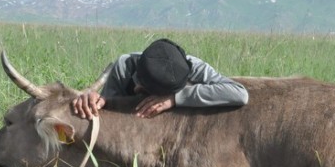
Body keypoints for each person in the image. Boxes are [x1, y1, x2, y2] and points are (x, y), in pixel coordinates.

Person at [73, 38, 248, 119]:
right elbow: (110, 109)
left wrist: (175, 98)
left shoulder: (193, 66)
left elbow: (239, 94)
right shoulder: (124, 67)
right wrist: (99, 101)